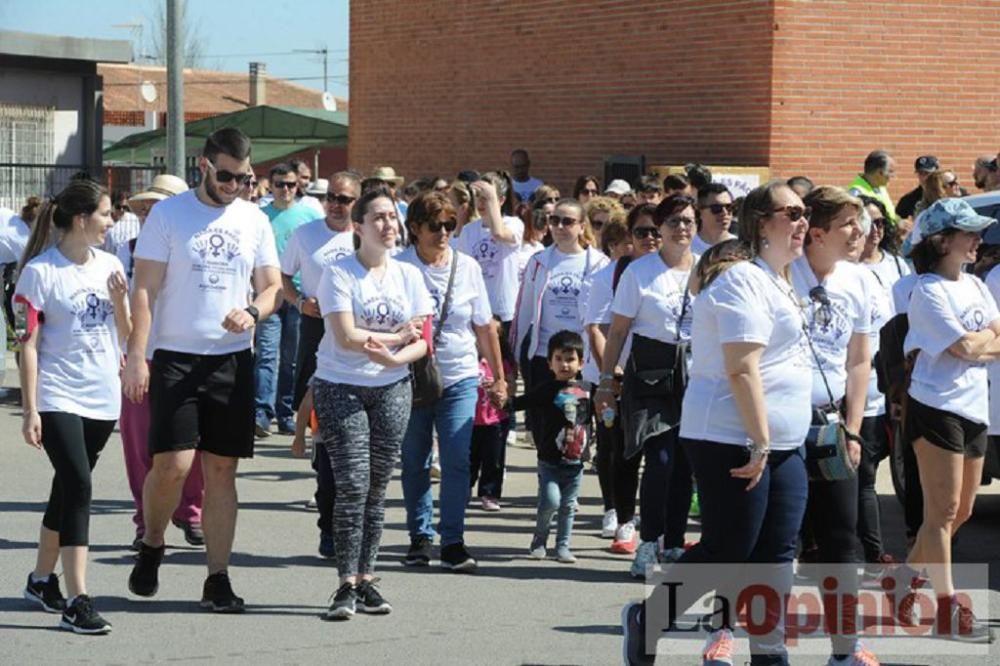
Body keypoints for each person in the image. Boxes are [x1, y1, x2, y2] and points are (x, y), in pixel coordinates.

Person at [622, 181, 813, 666]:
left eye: (805, 212)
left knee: (776, 551)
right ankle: (650, 618)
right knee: (729, 549)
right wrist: (760, 440)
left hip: (784, 439)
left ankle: (769, 652)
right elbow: (741, 366)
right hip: (731, 435)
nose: (802, 221)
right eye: (791, 213)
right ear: (761, 221)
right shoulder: (740, 280)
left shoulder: (782, 279)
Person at [124, 127, 282, 612]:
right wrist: (136, 354)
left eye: (244, 177)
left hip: (231, 358)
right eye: (228, 176)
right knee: (172, 465)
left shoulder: (254, 220)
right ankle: (152, 541)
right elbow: (145, 289)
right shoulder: (169, 215)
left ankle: (217, 577)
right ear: (206, 166)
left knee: (222, 469)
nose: (235, 185)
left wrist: (253, 312)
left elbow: (273, 288)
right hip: (174, 355)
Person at [312, 189, 433, 620]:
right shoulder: (338, 273)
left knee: (378, 486)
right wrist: (398, 338)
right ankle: (344, 583)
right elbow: (345, 336)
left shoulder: (409, 276)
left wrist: (398, 355)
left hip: (393, 387)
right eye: (378, 218)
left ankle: (366, 579)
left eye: (391, 217)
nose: (388, 225)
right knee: (353, 483)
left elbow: (424, 341)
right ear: (358, 227)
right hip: (340, 385)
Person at [16, 178, 129, 634]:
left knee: (67, 487)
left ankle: (42, 580)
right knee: (80, 485)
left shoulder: (110, 264)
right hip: (58, 394)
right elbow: (26, 345)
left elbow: (124, 332)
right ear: (81, 219)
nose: (111, 221)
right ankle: (77, 598)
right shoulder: (40, 272)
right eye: (104, 214)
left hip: (102, 395)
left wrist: (121, 302)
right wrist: (30, 409)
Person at [893, 198, 999, 643]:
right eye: (969, 232)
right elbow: (966, 349)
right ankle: (948, 607)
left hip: (976, 406)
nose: (979, 240)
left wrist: (978, 342)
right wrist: (979, 342)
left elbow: (989, 338)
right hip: (935, 406)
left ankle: (904, 577)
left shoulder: (975, 286)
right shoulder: (927, 290)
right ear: (941, 241)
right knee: (943, 512)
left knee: (964, 511)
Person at [397, 191, 506, 571]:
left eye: (449, 225)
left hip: (460, 373)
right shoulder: (399, 266)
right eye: (434, 226)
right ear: (414, 229)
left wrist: (499, 378)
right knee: (415, 459)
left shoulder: (468, 266)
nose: (442, 233)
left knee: (458, 459)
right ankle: (419, 536)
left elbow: (485, 326)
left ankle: (453, 539)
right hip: (410, 374)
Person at [792, 186, 878, 665]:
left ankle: (846, 648)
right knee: (773, 539)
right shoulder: (785, 275)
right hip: (780, 423)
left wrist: (853, 427)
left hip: (830, 423)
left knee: (842, 537)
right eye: (848, 223)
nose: (858, 232)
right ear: (817, 232)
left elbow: (859, 359)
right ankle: (737, 636)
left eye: (860, 222)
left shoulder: (859, 281)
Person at [596, 194, 697, 579]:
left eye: (688, 220)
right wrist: (607, 381)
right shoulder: (640, 273)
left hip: (694, 371)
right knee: (661, 460)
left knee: (686, 463)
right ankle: (649, 543)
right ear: (661, 227)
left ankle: (674, 542)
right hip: (650, 371)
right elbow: (618, 329)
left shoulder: (705, 269)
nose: (682, 228)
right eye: (673, 222)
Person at [114, 175, 201, 551]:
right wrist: (130, 349)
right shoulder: (126, 249)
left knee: (192, 442)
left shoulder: (195, 250)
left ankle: (190, 510)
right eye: (147, 207)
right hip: (142, 353)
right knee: (139, 441)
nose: (151, 212)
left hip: (188, 355)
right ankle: (144, 517)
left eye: (159, 206)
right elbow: (120, 309)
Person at [282, 171, 360, 557]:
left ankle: (348, 517)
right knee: (319, 417)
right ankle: (324, 483)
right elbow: (282, 278)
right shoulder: (305, 234)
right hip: (315, 329)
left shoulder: (365, 237)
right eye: (331, 196)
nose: (336, 204)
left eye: (344, 199)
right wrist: (298, 302)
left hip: (356, 336)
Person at [856, 195, 916, 564]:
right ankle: (872, 550)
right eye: (867, 224)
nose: (875, 231)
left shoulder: (898, 267)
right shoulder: (841, 269)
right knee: (862, 474)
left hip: (894, 385)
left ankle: (916, 539)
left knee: (902, 470)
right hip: (857, 387)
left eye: (880, 224)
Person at [512, 330, 590, 563]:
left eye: (570, 359)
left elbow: (597, 414)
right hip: (549, 459)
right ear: (549, 363)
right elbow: (522, 402)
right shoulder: (547, 389)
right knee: (551, 501)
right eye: (559, 359)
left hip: (576, 461)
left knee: (568, 506)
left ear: (581, 362)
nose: (564, 364)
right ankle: (539, 540)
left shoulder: (588, 389)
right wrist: (501, 402)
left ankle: (563, 546)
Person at [254, 164, 317, 437]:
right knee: (267, 354)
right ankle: (261, 413)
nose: (286, 189)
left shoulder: (311, 215)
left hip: (298, 294)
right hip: (268, 294)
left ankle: (285, 411)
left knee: (291, 359)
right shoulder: (259, 216)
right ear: (271, 185)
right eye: (280, 184)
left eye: (291, 184)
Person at [582, 210, 631, 539]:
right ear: (611, 246)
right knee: (611, 443)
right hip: (607, 376)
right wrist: (608, 377)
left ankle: (630, 510)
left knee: (633, 447)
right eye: (624, 241)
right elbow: (596, 328)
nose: (633, 246)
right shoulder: (603, 278)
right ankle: (611, 507)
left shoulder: (648, 274)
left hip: (640, 375)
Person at [847, 149, 898, 224]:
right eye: (890, 172)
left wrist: (899, 222)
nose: (893, 176)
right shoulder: (856, 192)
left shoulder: (880, 187)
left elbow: (890, 213)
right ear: (879, 172)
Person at [691, 182, 736, 255]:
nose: (724, 213)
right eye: (716, 208)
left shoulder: (740, 247)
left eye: (729, 207)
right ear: (699, 211)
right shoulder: (687, 247)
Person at [895, 155, 939, 221]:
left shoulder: (949, 192)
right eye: (921, 173)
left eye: (927, 173)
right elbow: (898, 222)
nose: (924, 178)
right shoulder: (909, 199)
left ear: (937, 173)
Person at [102, 190, 142, 255]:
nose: (122, 210)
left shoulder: (134, 219)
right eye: (118, 207)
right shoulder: (105, 221)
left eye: (125, 207)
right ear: (112, 206)